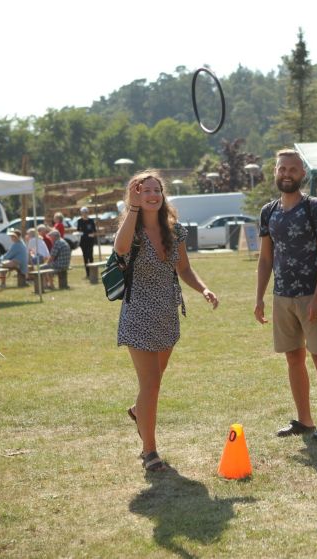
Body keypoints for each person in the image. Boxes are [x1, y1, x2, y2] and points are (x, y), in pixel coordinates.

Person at [115, 169, 219, 472]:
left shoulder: (176, 230)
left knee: (153, 384)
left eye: (156, 191)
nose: (151, 196)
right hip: (137, 313)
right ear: (135, 195)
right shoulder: (130, 227)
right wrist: (132, 208)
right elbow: (120, 250)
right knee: (150, 386)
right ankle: (149, 451)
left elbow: (184, 268)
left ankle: (139, 411)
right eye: (144, 191)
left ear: (163, 196)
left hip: (167, 314)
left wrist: (204, 288)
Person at [255, 148, 317, 441]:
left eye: (292, 169)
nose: (286, 174)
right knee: (293, 358)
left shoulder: (315, 207)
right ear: (275, 173)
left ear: (302, 174)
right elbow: (265, 259)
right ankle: (304, 420)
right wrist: (259, 298)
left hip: (311, 295)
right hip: (283, 296)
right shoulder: (268, 212)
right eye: (282, 169)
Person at [77, 207, 97, 278]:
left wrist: (92, 235)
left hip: (90, 241)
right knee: (85, 257)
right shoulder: (79, 221)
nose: (84, 214)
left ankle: (92, 273)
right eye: (83, 213)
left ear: (88, 213)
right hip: (83, 242)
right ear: (81, 213)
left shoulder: (91, 221)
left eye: (86, 212)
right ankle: (87, 273)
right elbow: (78, 231)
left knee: (90, 256)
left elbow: (94, 232)